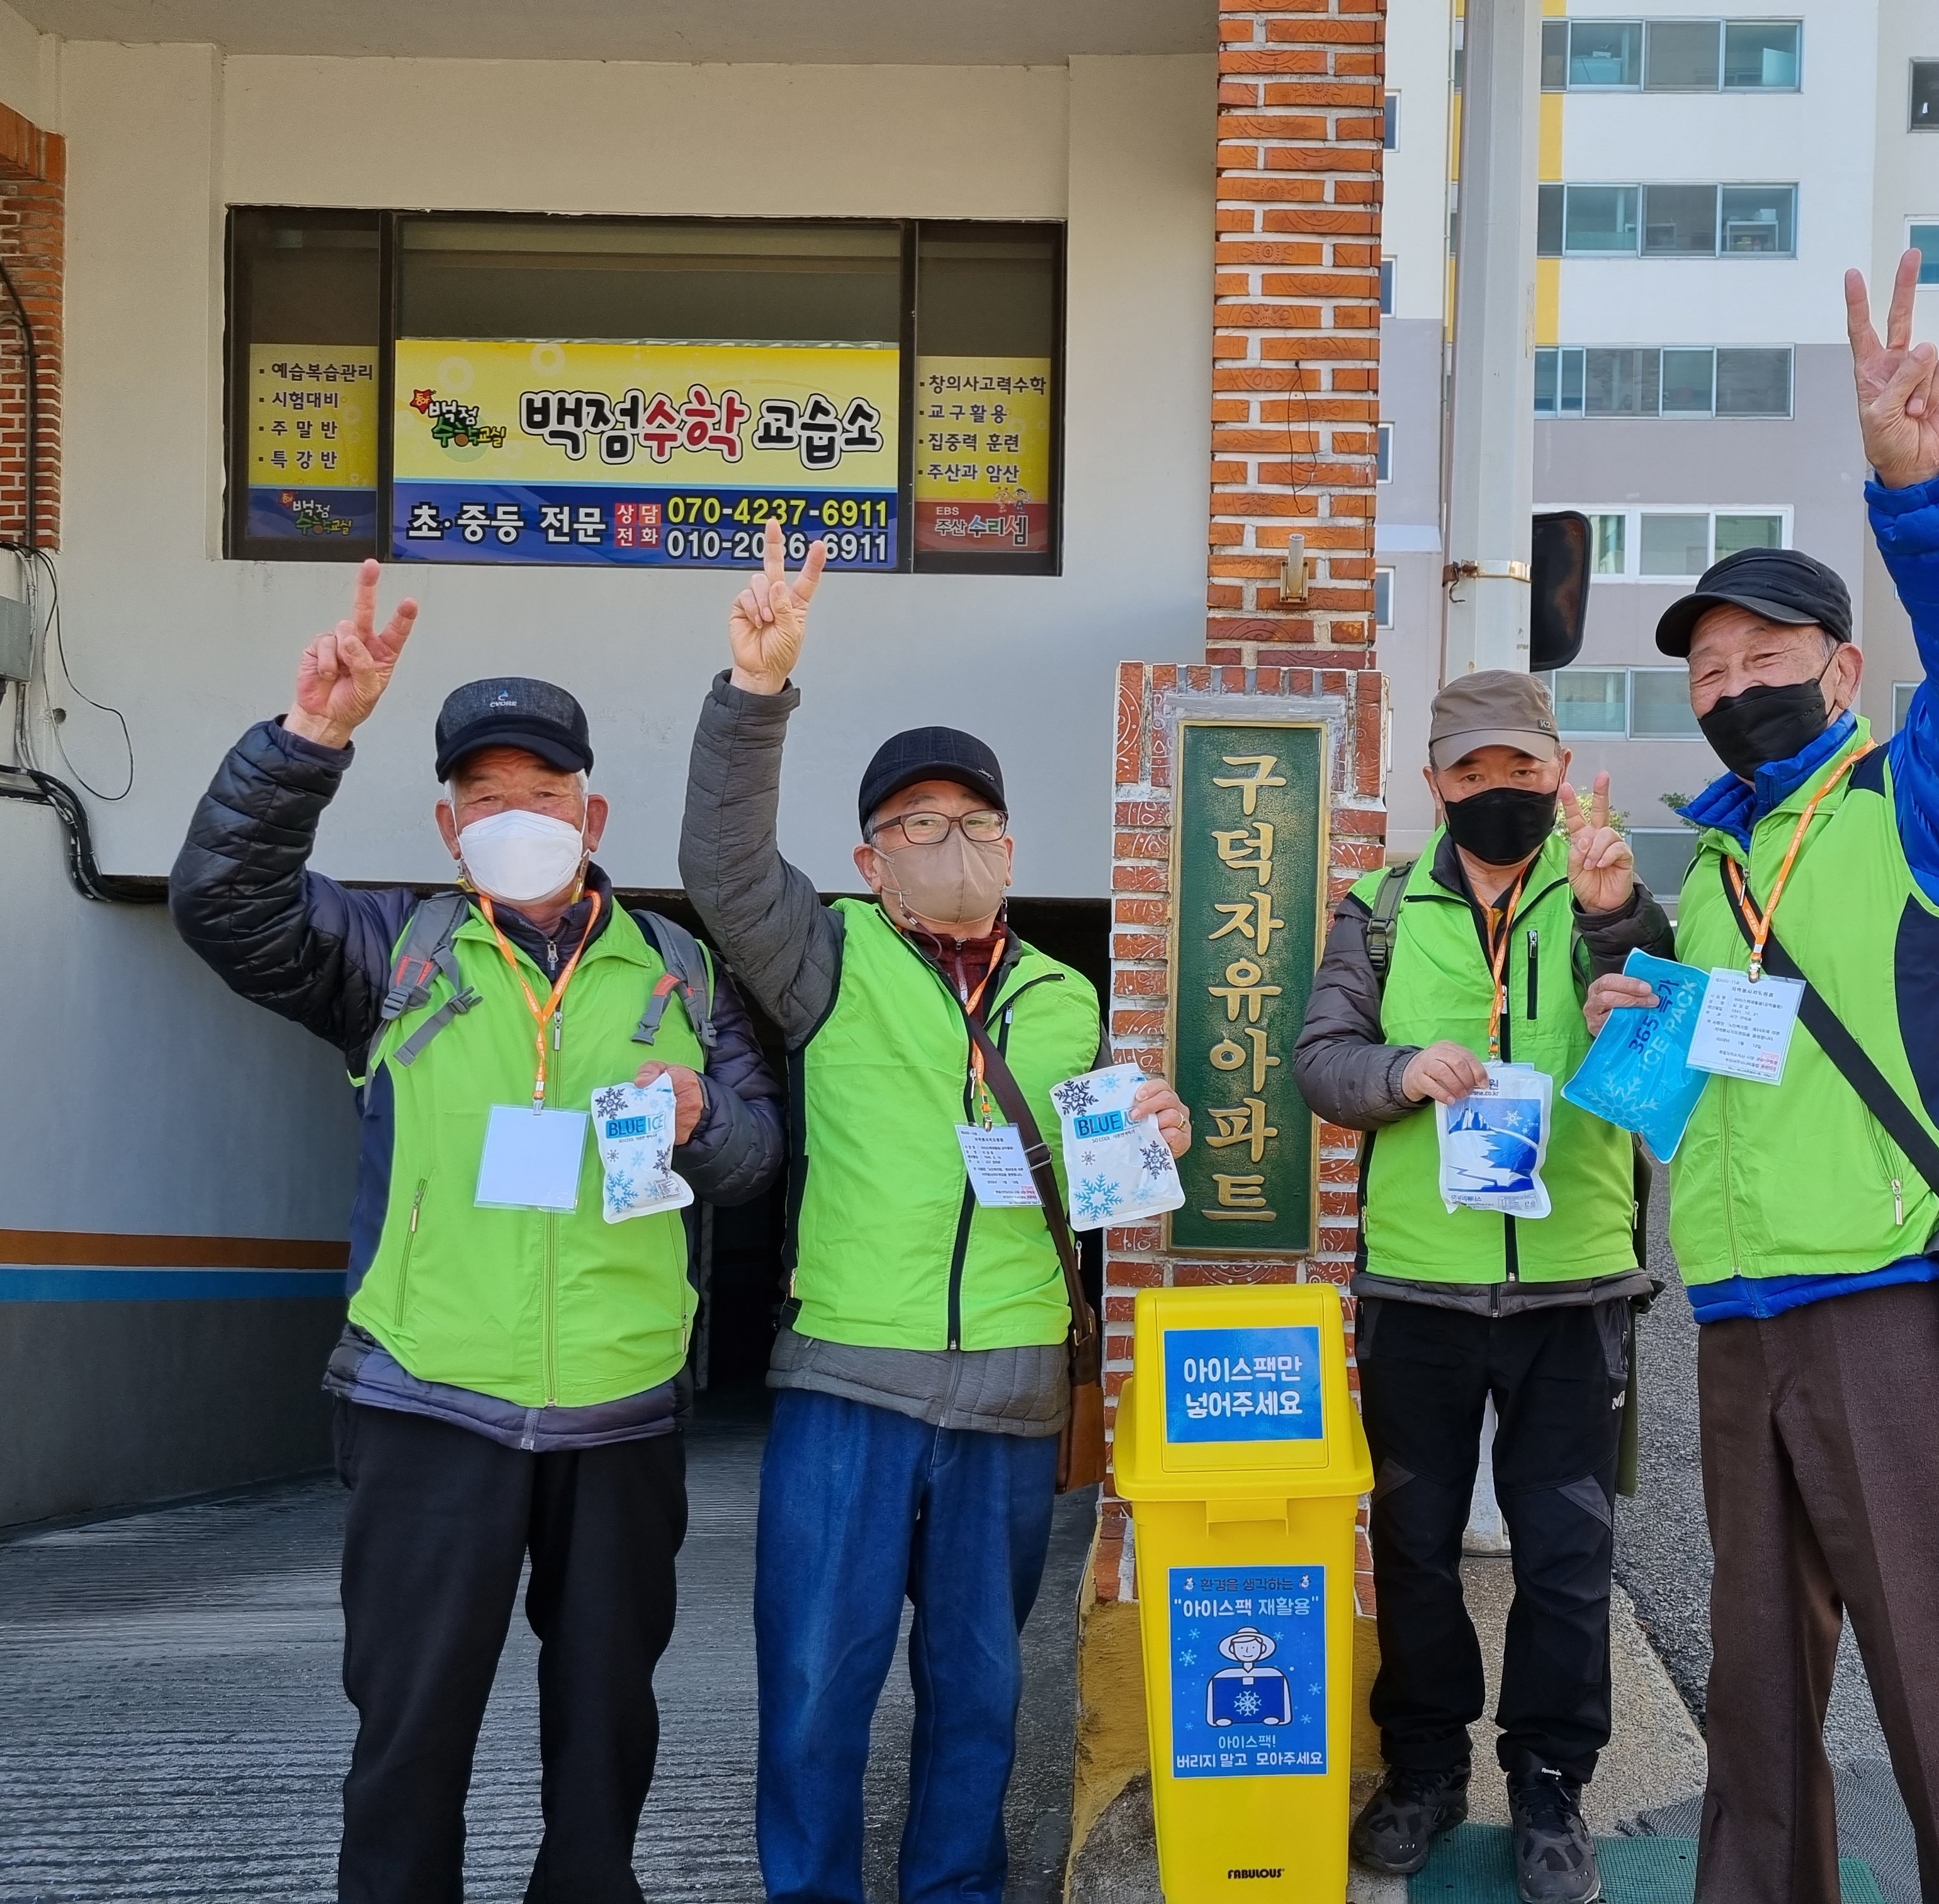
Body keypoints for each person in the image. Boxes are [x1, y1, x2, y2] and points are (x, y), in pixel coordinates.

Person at [170, 560, 784, 1904]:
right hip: (426, 1401)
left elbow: (756, 1159)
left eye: (543, 794)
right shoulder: (388, 953)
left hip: (620, 1413)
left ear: (591, 813)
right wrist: (311, 738)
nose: (518, 817)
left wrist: (701, 1122)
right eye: (487, 797)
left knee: (606, 1733)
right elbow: (221, 904)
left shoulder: (680, 971)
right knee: (410, 1733)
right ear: (450, 828)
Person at [1582, 254, 1939, 1903]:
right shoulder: (1722, 871)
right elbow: (1713, 1076)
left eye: (1763, 657)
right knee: (1758, 1705)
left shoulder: (1917, 811)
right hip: (1741, 1320)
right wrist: (1628, 990)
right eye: (1706, 673)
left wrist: (1925, 494)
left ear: (1841, 674)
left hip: (1892, 1309)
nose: (1733, 689)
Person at [676, 536, 1196, 1904]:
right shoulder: (827, 957)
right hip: (852, 1378)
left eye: (974, 820)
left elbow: (1093, 1183)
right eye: (917, 823)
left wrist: (1152, 1132)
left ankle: (953, 1890)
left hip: (1012, 1396)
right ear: (870, 855)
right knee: (814, 1681)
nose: (950, 841)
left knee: (977, 1687)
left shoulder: (1067, 999)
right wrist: (755, 691)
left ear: (1012, 847)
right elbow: (722, 867)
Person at [1296, 671, 1675, 1904]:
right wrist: (1402, 1070)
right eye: (1473, 771)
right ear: (1435, 784)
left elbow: (1671, 1052)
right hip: (1418, 1289)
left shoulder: (1608, 890)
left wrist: (1619, 933)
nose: (1499, 790)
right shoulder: (1378, 910)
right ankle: (1425, 1766)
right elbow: (1322, 1061)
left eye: (1522, 768)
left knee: (1567, 1552)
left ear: (1558, 773)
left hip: (1575, 1288)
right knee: (1413, 1547)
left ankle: (1552, 1780)